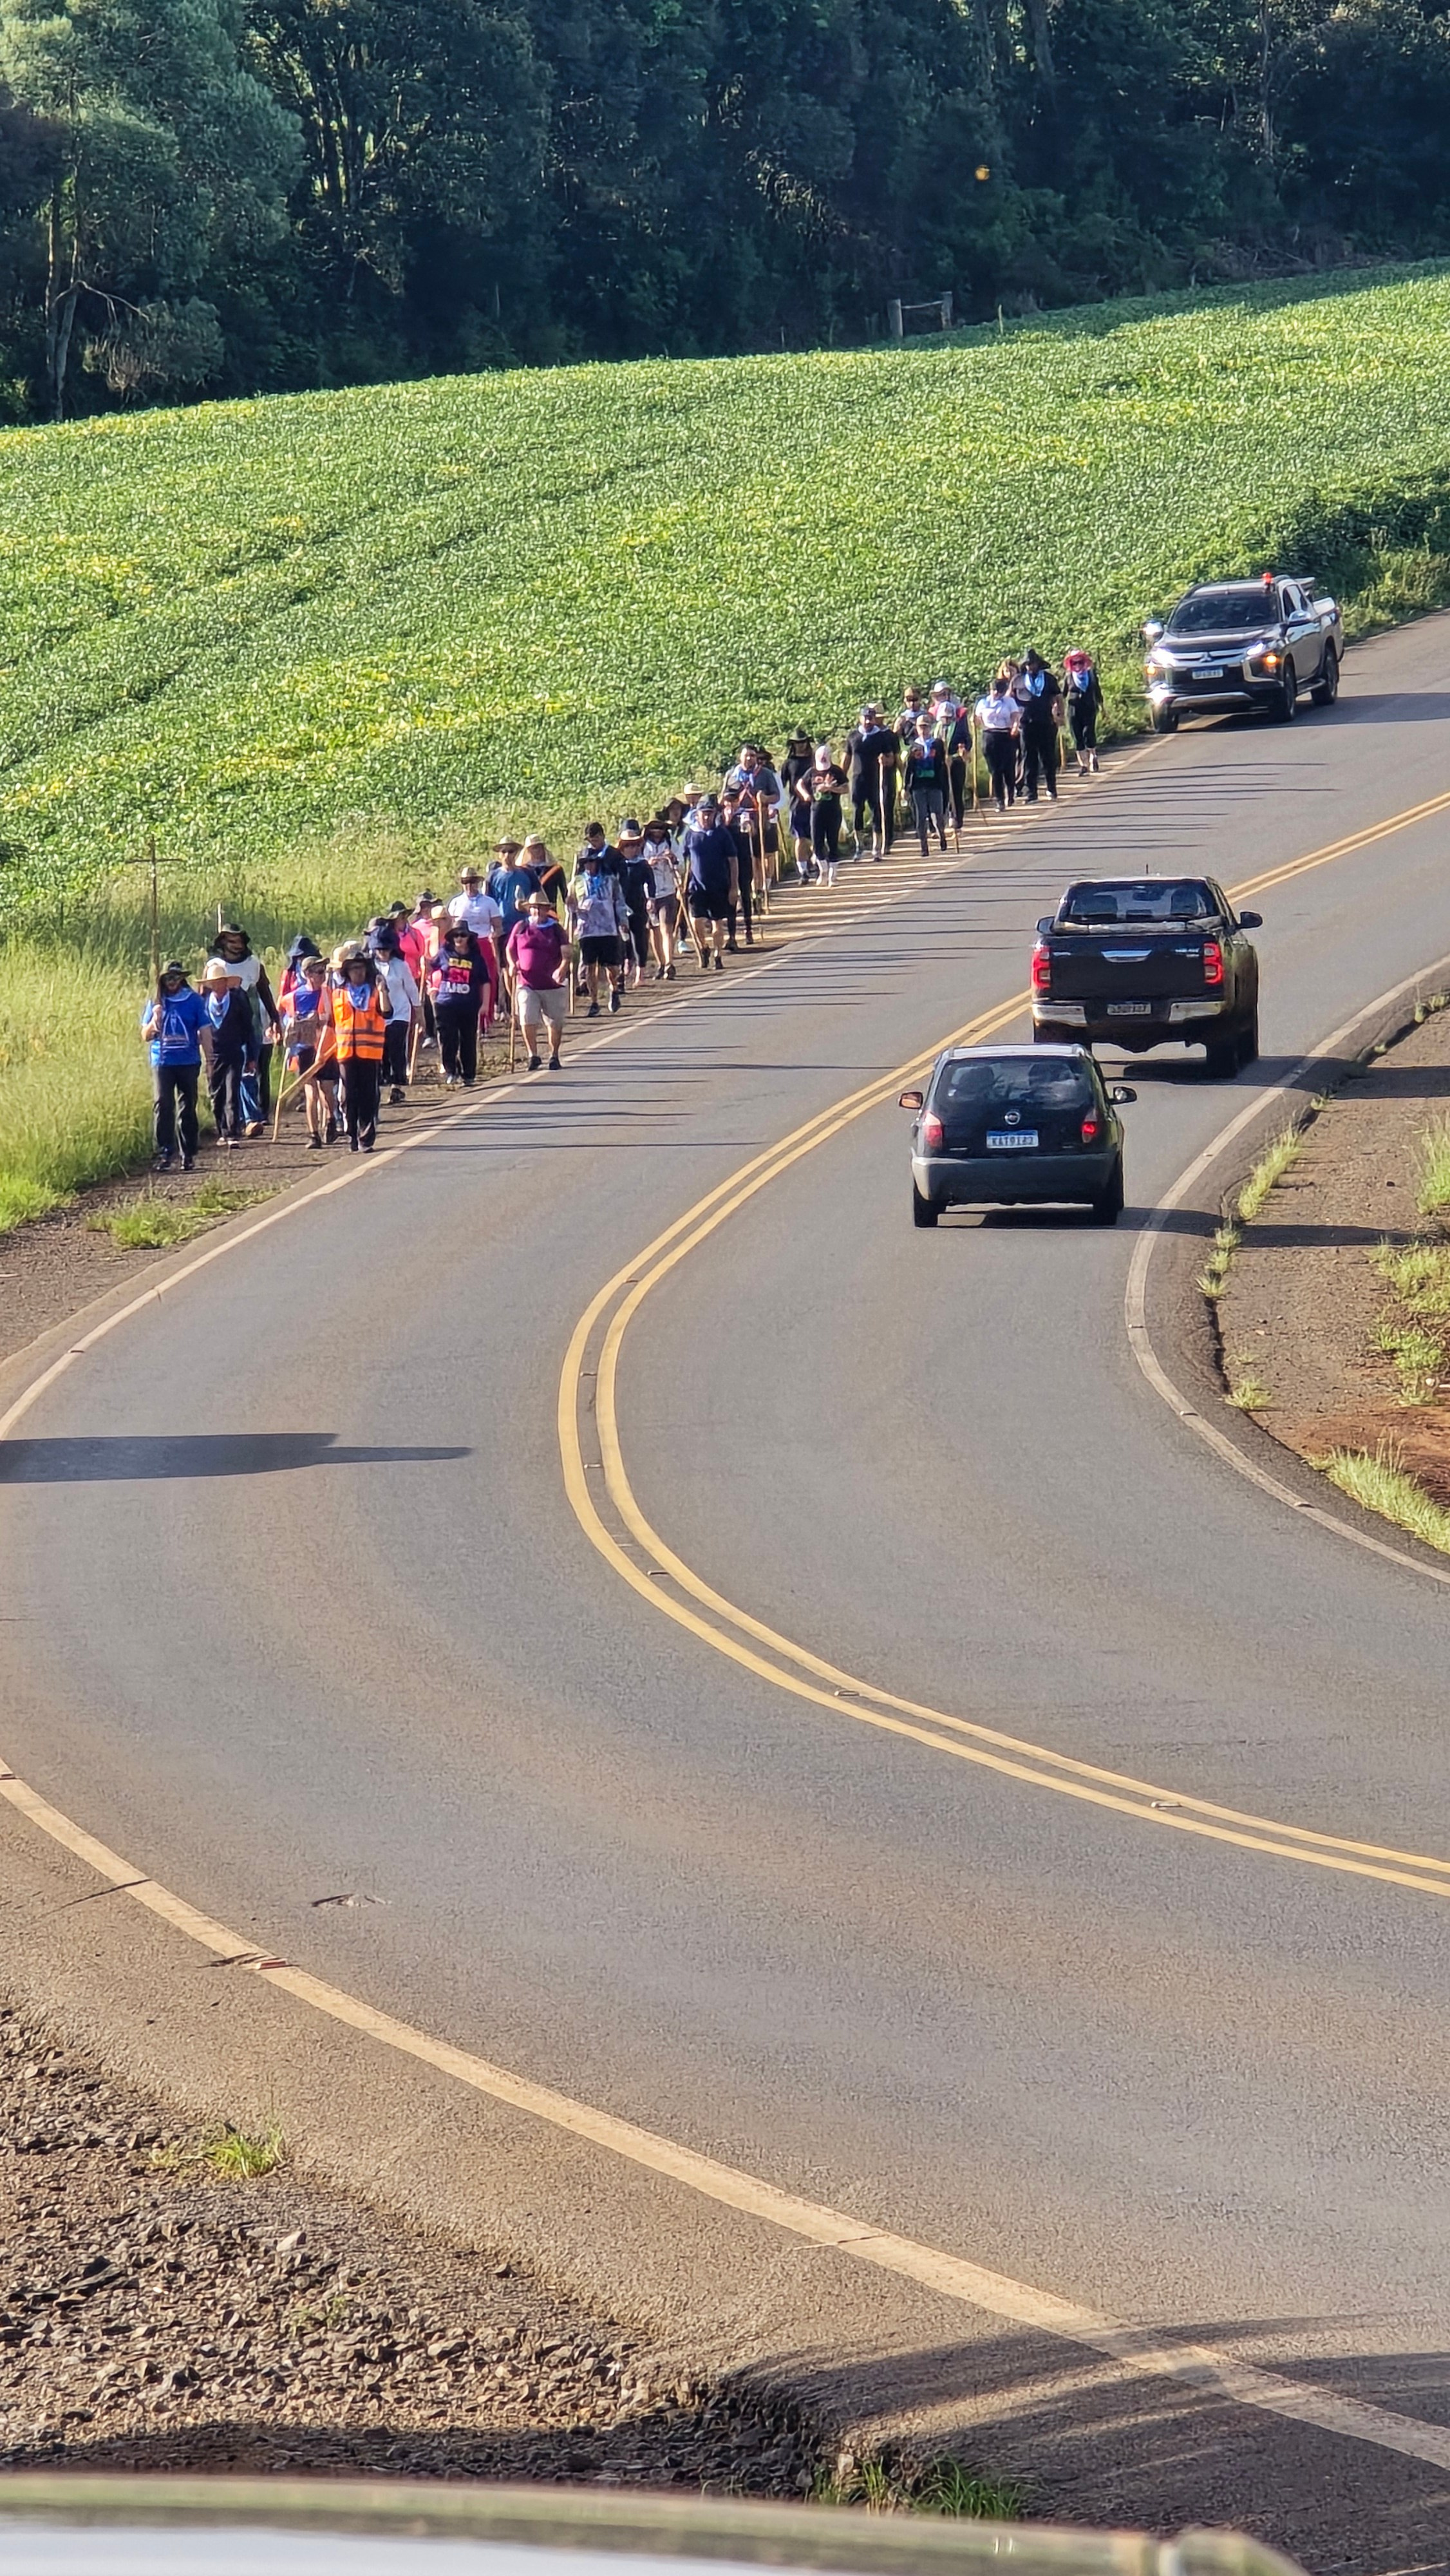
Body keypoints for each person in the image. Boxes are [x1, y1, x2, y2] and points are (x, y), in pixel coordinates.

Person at [207, 924, 280, 1135]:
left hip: (250, 1024)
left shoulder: (253, 964)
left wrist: (275, 1019)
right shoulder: (215, 966)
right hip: (222, 1028)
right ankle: (234, 1120)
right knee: (228, 1076)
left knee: (249, 1069)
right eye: (231, 941)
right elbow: (205, 997)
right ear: (223, 942)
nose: (236, 945)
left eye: (239, 941)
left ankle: (251, 1118)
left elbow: (264, 992)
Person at [141, 961, 211, 1171]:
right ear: (162, 980)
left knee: (187, 1106)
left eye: (176, 977)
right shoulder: (156, 1003)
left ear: (182, 978)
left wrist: (211, 1060)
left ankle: (187, 1153)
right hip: (162, 1061)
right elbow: (145, 1035)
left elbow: (205, 1031)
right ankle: (164, 1152)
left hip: (188, 1060)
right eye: (168, 978)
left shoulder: (194, 1001)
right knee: (163, 1105)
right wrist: (155, 1021)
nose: (172, 982)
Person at [324, 941, 391, 1151]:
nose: (358, 973)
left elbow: (387, 1012)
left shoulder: (374, 992)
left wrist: (383, 991)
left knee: (368, 1096)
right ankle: (351, 1133)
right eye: (354, 968)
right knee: (348, 1096)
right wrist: (321, 1054)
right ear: (347, 972)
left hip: (370, 1053)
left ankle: (366, 1138)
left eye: (361, 968)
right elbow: (331, 1025)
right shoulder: (338, 995)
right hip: (345, 1054)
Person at [507, 886, 570, 1070]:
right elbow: (509, 950)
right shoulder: (521, 927)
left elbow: (567, 953)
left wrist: (562, 968)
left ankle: (554, 1055)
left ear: (546, 909)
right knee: (526, 1018)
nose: (536, 911)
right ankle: (533, 1055)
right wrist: (513, 964)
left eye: (539, 907)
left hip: (552, 985)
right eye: (533, 907)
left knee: (554, 1022)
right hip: (527, 983)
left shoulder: (556, 929)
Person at [279, 951, 338, 1148]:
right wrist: (285, 1026)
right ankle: (314, 1135)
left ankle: (331, 1120)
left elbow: (336, 1019)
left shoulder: (329, 994)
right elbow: (282, 1014)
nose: (322, 976)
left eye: (323, 972)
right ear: (307, 974)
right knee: (311, 1092)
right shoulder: (294, 997)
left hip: (327, 1049)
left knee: (327, 1091)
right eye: (318, 972)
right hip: (304, 1049)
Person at [569, 844, 631, 1014]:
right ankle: (594, 1002)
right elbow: (571, 906)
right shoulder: (577, 883)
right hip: (587, 930)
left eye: (592, 861)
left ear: (597, 862)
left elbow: (619, 901)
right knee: (590, 966)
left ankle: (614, 989)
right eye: (586, 862)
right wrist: (572, 908)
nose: (589, 865)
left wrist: (623, 920)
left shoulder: (610, 880)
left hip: (608, 928)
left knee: (612, 966)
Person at [199, 957, 251, 1148]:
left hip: (234, 1053)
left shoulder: (237, 1000)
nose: (218, 985)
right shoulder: (204, 1003)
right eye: (214, 983)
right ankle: (221, 1129)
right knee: (216, 1094)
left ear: (226, 982)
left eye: (221, 982)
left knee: (232, 1092)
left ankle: (232, 1132)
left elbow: (248, 1028)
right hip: (214, 1056)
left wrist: (251, 1055)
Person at [429, 920, 489, 1086]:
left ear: (469, 938)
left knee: (468, 1040)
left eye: (463, 935)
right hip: (445, 1004)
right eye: (456, 935)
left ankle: (468, 1074)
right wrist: (429, 981)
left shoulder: (477, 958)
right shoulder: (444, 953)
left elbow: (485, 981)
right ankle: (451, 1070)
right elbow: (431, 967)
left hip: (469, 1005)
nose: (459, 938)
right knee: (448, 1039)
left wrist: (485, 1004)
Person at [682, 793, 737, 969]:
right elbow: (684, 860)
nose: (707, 817)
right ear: (697, 814)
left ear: (715, 814)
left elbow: (733, 860)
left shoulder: (721, 834)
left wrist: (734, 887)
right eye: (703, 813)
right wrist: (682, 885)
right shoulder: (691, 835)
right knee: (696, 921)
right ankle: (704, 947)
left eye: (710, 813)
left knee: (717, 923)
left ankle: (718, 955)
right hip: (697, 887)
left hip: (719, 885)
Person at [372, 923, 420, 1104]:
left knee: (397, 1048)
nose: (383, 953)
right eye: (380, 949)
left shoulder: (401, 966)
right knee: (381, 1051)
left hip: (400, 1012)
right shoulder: (370, 968)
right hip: (378, 1016)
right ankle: (383, 1081)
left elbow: (411, 989)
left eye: (386, 949)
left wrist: (418, 1010)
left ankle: (397, 1087)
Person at [845, 705, 897, 858]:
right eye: (865, 718)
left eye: (870, 718)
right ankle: (859, 846)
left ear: (874, 719)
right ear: (860, 718)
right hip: (857, 779)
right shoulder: (854, 736)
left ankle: (877, 846)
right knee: (857, 812)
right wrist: (841, 777)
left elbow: (891, 758)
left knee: (877, 812)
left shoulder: (881, 737)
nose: (868, 721)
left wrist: (885, 760)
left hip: (874, 779)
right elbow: (847, 759)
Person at [1019, 649, 1063, 802]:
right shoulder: (1019, 681)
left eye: (1032, 664)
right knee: (1029, 759)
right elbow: (1011, 701)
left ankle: (1051, 788)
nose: (1030, 667)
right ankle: (1031, 793)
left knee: (1048, 757)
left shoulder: (1049, 679)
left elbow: (1057, 697)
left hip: (1046, 722)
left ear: (1038, 664)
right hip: (1026, 725)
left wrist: (1060, 715)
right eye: (1027, 664)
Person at [643, 817, 682, 978]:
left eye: (660, 828)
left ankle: (669, 964)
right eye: (654, 828)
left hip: (667, 890)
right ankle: (660, 963)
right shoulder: (642, 845)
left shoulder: (671, 842)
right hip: (648, 893)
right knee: (654, 930)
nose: (658, 832)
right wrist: (648, 864)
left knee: (667, 928)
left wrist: (672, 858)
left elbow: (681, 865)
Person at [804, 743, 847, 886]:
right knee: (817, 842)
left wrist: (832, 789)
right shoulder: (812, 772)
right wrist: (806, 795)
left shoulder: (836, 771)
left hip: (833, 810)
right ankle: (823, 868)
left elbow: (846, 788)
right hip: (816, 810)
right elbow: (800, 784)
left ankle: (833, 875)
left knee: (832, 841)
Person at [975, 674, 1021, 810]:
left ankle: (1011, 793)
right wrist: (976, 723)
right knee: (995, 770)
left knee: (1008, 767)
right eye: (994, 690)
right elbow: (978, 719)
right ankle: (1000, 800)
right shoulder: (983, 703)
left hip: (1006, 736)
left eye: (999, 691)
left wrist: (1014, 727)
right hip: (989, 736)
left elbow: (1015, 716)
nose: (996, 693)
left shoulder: (1009, 702)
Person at [617, 822, 655, 983]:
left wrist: (651, 899)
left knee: (639, 937)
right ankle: (626, 962)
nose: (632, 849)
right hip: (620, 906)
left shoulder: (642, 864)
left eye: (635, 845)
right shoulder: (617, 864)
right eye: (629, 846)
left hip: (638, 904)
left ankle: (641, 972)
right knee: (623, 938)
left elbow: (651, 882)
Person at [905, 721, 951, 852]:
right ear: (917, 729)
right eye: (921, 727)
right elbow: (909, 768)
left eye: (926, 727)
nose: (924, 730)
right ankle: (924, 846)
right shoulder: (913, 746)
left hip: (935, 784)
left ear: (930, 728)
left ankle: (942, 835)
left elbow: (943, 760)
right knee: (921, 816)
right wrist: (906, 786)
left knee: (938, 813)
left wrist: (947, 763)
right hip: (918, 785)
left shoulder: (937, 744)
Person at [719, 789, 755, 951]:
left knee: (745, 893)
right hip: (727, 861)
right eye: (727, 801)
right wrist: (726, 820)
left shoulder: (743, 814)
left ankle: (749, 929)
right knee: (730, 896)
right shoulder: (720, 817)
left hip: (743, 858)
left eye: (732, 800)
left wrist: (749, 826)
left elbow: (751, 832)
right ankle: (732, 935)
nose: (730, 804)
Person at [447, 866, 504, 967]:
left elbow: (498, 927)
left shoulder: (489, 902)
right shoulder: (456, 903)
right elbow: (449, 926)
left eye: (472, 881)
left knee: (486, 974)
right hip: (462, 943)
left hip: (483, 941)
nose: (469, 885)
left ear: (477, 882)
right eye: (465, 882)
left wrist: (494, 936)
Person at [780, 730, 816, 878]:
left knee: (816, 837)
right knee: (800, 838)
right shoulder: (789, 764)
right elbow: (780, 785)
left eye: (803, 742)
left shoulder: (814, 761)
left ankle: (817, 862)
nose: (801, 745)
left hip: (815, 803)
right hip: (796, 806)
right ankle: (803, 871)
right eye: (798, 743)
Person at [1063, 649, 1104, 772]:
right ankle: (1083, 764)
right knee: (1077, 736)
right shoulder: (1069, 677)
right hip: (1073, 710)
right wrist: (1057, 709)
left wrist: (1102, 706)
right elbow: (1063, 694)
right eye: (1075, 663)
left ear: (1084, 662)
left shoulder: (1090, 675)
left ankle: (1093, 756)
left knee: (1088, 733)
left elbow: (1097, 691)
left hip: (1089, 708)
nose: (1078, 666)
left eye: (1080, 662)